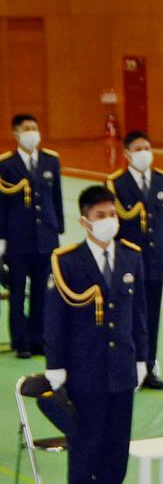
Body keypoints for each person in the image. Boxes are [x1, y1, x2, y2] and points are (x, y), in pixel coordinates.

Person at [44, 185, 147, 484]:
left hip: (121, 366)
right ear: (84, 221)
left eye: (112, 214)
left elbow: (140, 314)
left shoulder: (132, 257)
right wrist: (55, 364)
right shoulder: (67, 261)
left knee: (118, 441)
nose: (109, 221)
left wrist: (143, 357)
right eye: (101, 216)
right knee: (87, 441)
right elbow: (55, 317)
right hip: (84, 368)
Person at [106, 131, 163, 389]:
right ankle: (127, 367)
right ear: (127, 154)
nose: (144, 152)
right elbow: (112, 225)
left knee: (152, 319)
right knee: (129, 317)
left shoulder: (162, 181)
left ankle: (148, 368)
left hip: (156, 261)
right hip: (128, 264)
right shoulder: (116, 184)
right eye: (138, 148)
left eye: (147, 147)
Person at [0, 114, 64, 359]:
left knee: (42, 293)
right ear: (16, 134)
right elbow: (2, 205)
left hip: (45, 238)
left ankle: (38, 338)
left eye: (34, 128)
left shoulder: (50, 161)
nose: (32, 133)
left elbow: (55, 197)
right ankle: (21, 340)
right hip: (18, 240)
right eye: (26, 129)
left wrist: (57, 228)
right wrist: (2, 239)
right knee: (17, 293)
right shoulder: (6, 164)